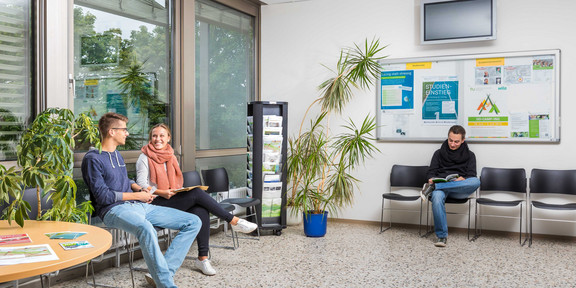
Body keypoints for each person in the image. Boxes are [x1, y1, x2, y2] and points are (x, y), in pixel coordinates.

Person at [82, 113, 201, 288]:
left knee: (193, 221)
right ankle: (166, 284)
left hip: (137, 205)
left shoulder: (116, 155)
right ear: (111, 132)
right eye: (124, 129)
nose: (127, 133)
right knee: (146, 229)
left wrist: (139, 188)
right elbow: (103, 196)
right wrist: (139, 196)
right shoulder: (93, 159)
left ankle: (162, 273)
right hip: (113, 210)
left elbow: (124, 181)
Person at [135, 123, 258, 276]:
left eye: (161, 136)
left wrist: (172, 192)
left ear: (168, 138)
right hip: (153, 203)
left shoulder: (170, 156)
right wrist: (162, 192)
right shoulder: (144, 157)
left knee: (200, 209)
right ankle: (233, 221)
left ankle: (203, 258)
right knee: (197, 194)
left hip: (170, 198)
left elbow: (175, 181)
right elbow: (141, 186)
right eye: (154, 136)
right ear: (150, 138)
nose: (157, 139)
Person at [420, 125, 480, 248]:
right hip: (442, 188)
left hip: (459, 189)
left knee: (475, 181)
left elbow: (471, 175)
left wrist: (463, 179)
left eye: (456, 141)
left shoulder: (470, 155)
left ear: (463, 140)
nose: (452, 144)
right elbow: (431, 172)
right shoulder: (438, 153)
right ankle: (441, 236)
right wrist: (432, 179)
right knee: (436, 197)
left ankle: (434, 187)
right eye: (450, 140)